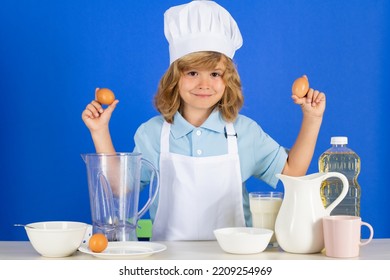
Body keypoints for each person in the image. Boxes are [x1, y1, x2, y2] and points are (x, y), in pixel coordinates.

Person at [81, 0, 326, 241]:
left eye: (215, 74)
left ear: (227, 80)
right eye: (192, 73)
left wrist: (312, 118)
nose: (204, 84)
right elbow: (120, 188)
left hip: (235, 262)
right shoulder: (152, 133)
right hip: (168, 264)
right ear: (175, 78)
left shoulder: (244, 131)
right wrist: (100, 131)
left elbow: (293, 172)